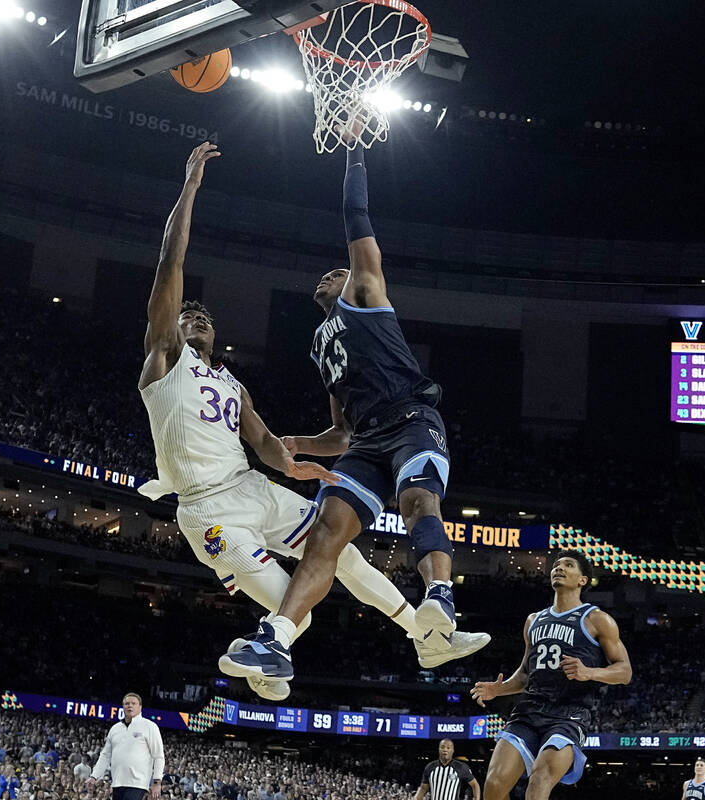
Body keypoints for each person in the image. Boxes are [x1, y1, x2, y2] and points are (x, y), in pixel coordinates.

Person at [137, 144, 486, 700]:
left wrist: (293, 464)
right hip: (206, 507)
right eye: (188, 314)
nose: (197, 314)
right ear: (173, 328)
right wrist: (191, 187)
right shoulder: (163, 358)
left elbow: (269, 446)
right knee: (291, 595)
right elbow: (170, 264)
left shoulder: (235, 384)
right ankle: (275, 657)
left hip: (268, 481)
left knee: (339, 552)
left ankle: (424, 628)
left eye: (206, 315)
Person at [470, 551, 632, 800]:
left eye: (568, 565)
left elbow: (625, 671)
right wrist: (497, 690)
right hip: (529, 710)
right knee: (493, 785)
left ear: (582, 580)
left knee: (540, 778)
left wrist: (589, 672)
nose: (559, 568)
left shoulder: (597, 620)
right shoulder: (533, 621)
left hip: (570, 713)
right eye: (556, 565)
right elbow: (526, 674)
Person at [85, 693, 164, 800]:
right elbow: (105, 755)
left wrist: (157, 782)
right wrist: (94, 776)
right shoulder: (115, 729)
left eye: (133, 703)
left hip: (137, 783)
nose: (129, 706)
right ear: (123, 707)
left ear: (140, 707)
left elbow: (158, 756)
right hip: (117, 782)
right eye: (127, 703)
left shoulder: (150, 726)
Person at [414, 739, 480, 800]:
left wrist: (476, 798)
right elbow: (423, 788)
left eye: (448, 748)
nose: (445, 750)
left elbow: (474, 784)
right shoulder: (430, 767)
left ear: (453, 750)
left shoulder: (460, 767)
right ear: (439, 749)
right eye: (442, 747)